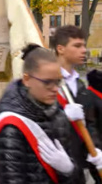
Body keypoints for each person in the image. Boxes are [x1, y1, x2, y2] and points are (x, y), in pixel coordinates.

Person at [0, 44, 79, 183]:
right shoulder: (11, 126)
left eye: (58, 81)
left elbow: (77, 178)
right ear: (27, 79)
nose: (55, 89)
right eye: (47, 82)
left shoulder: (59, 115)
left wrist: (68, 170)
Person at [53, 25, 102, 183]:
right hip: (55, 164)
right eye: (77, 46)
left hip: (80, 166)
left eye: (84, 45)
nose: (84, 50)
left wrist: (97, 150)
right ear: (60, 49)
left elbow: (89, 123)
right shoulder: (48, 81)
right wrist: (62, 115)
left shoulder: (80, 84)